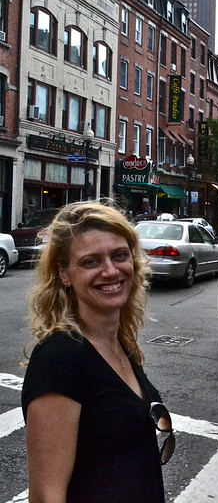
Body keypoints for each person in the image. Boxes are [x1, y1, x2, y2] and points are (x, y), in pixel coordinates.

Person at [21, 201, 173, 503]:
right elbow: (46, 494)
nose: (110, 271)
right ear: (64, 273)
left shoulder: (119, 342)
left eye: (119, 256)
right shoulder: (60, 357)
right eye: (90, 262)